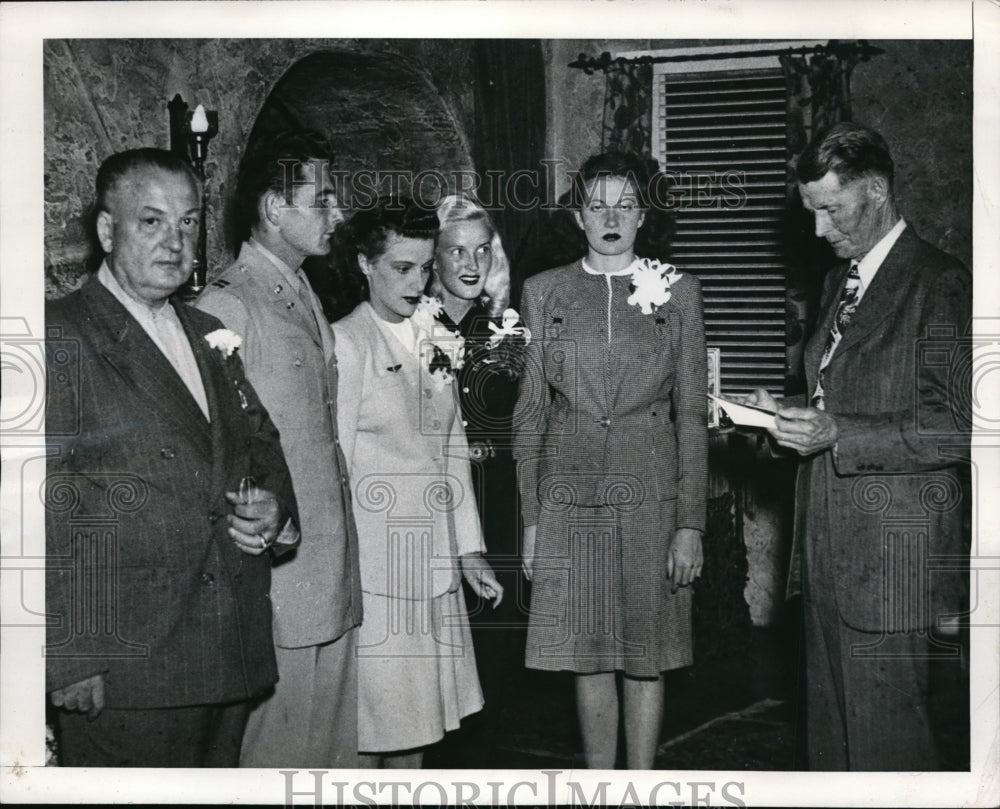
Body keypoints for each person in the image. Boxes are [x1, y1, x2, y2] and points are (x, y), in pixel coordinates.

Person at [45, 148, 298, 767]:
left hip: (226, 646)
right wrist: (70, 656)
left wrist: (276, 513)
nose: (175, 241)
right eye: (151, 221)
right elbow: (33, 504)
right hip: (128, 665)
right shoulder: (58, 335)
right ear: (108, 231)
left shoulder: (209, 332)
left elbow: (260, 443)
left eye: (187, 222)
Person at [745, 122, 971, 771]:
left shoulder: (938, 281)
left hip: (891, 562)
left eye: (830, 209)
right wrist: (783, 412)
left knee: (888, 754)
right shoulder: (839, 282)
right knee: (833, 750)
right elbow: (841, 397)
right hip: (826, 553)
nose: (818, 230)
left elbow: (960, 423)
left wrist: (839, 431)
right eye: (810, 212)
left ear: (875, 191)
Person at [512, 151, 707, 769]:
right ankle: (601, 785)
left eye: (625, 205)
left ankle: (640, 787)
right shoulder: (543, 291)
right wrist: (532, 521)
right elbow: (529, 414)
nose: (612, 218)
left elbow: (691, 414)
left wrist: (691, 523)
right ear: (578, 216)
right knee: (587, 652)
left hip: (651, 494)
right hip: (568, 499)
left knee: (646, 652)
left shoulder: (679, 291)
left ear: (644, 214)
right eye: (597, 206)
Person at [195, 130, 363, 768]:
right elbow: (219, 450)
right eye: (322, 199)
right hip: (280, 576)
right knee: (277, 755)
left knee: (330, 754)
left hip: (328, 564)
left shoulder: (301, 289)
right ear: (273, 207)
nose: (337, 213)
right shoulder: (229, 302)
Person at [331, 197, 504, 768]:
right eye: (401, 268)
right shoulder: (346, 342)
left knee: (420, 734)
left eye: (425, 267)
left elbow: (450, 452)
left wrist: (469, 550)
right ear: (364, 264)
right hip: (378, 576)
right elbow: (335, 465)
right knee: (375, 734)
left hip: (434, 570)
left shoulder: (432, 336)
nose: (417, 282)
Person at [426, 193, 528, 766]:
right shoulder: (411, 324)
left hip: (498, 504)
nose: (471, 264)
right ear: (433, 257)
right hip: (435, 502)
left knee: (494, 649)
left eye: (482, 251)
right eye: (456, 251)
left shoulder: (508, 330)